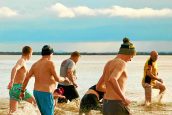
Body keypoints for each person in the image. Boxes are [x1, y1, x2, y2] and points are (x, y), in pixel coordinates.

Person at [20, 45, 69, 115]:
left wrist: (22, 91)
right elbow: (57, 79)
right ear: (51, 54)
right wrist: (65, 78)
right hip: (46, 93)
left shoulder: (35, 64)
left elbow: (27, 78)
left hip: (36, 92)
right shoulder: (50, 63)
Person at [96, 38, 136, 115]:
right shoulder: (122, 63)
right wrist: (124, 99)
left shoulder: (108, 63)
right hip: (116, 104)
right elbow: (113, 79)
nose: (130, 60)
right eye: (132, 56)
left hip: (106, 104)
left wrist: (111, 92)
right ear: (128, 53)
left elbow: (98, 87)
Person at [7, 46, 36, 114]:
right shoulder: (22, 60)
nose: (31, 56)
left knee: (12, 112)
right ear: (29, 53)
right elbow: (14, 69)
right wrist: (11, 81)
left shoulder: (23, 63)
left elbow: (30, 75)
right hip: (19, 88)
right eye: (32, 54)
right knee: (35, 104)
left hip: (13, 89)